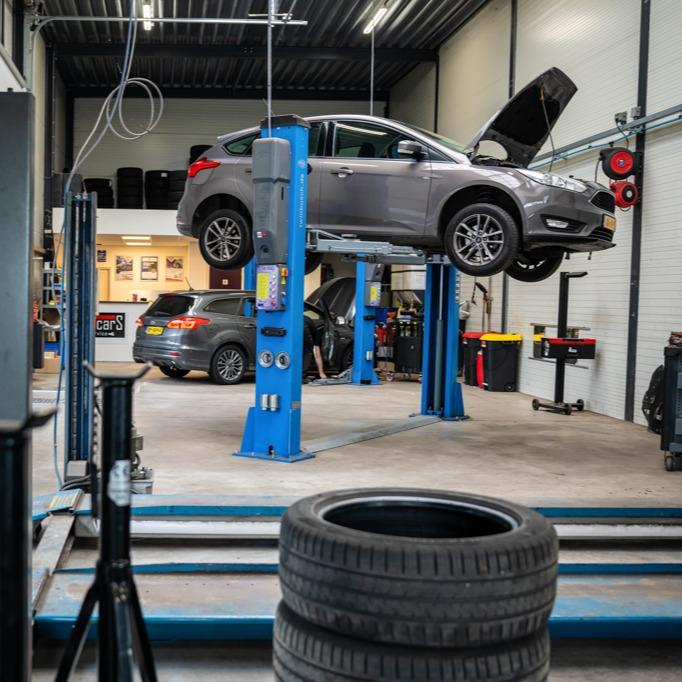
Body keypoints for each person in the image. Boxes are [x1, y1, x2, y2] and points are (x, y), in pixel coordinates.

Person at [303, 314, 327, 380]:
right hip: (305, 329)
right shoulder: (316, 336)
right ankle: (301, 375)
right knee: (308, 352)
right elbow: (317, 354)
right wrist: (321, 373)